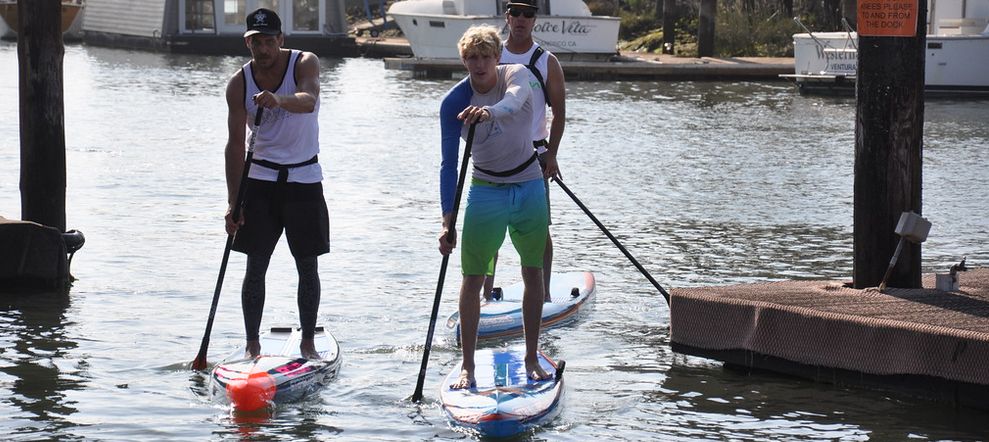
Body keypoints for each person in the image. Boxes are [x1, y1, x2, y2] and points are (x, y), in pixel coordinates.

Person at [438, 25, 552, 389]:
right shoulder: (453, 103)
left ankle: (531, 357)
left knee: (532, 272)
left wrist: (488, 113)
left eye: (486, 56)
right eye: (472, 57)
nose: (480, 63)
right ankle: (468, 366)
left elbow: (516, 101)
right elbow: (447, 165)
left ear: (497, 57)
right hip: (485, 190)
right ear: (464, 61)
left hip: (529, 184)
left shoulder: (516, 74)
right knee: (472, 279)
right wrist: (447, 221)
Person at [224, 8, 328, 360]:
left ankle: (309, 345)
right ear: (248, 42)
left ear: (281, 40)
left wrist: (277, 99)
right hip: (261, 180)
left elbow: (308, 100)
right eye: (256, 41)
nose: (263, 48)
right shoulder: (239, 83)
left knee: (307, 264)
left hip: (303, 178)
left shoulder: (304, 63)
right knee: (255, 265)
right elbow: (235, 145)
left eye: (270, 41)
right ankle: (252, 346)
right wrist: (233, 202)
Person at [482, 0, 566, 302]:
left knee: (538, 231)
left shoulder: (546, 61)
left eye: (527, 14)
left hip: (534, 157)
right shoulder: (491, 55)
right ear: (507, 17)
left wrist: (552, 155)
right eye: (515, 12)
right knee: (490, 231)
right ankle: (484, 294)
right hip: (494, 155)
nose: (520, 18)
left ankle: (542, 295)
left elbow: (559, 113)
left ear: (534, 20)